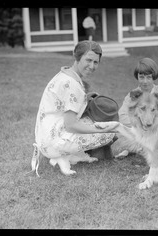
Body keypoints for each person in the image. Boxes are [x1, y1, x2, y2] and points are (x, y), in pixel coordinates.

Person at [32, 40, 119, 176]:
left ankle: (67, 154)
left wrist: (86, 98)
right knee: (109, 132)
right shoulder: (71, 84)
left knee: (94, 122)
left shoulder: (65, 74)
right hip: (52, 142)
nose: (92, 66)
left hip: (44, 137)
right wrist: (102, 129)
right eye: (88, 60)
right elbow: (71, 125)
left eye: (96, 62)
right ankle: (63, 155)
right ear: (77, 57)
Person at [112, 57, 158, 157]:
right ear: (137, 77)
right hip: (140, 133)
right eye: (141, 77)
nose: (145, 81)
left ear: (153, 77)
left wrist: (157, 122)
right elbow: (122, 115)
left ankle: (145, 150)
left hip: (157, 133)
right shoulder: (134, 95)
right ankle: (138, 149)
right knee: (120, 130)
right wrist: (142, 125)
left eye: (149, 77)